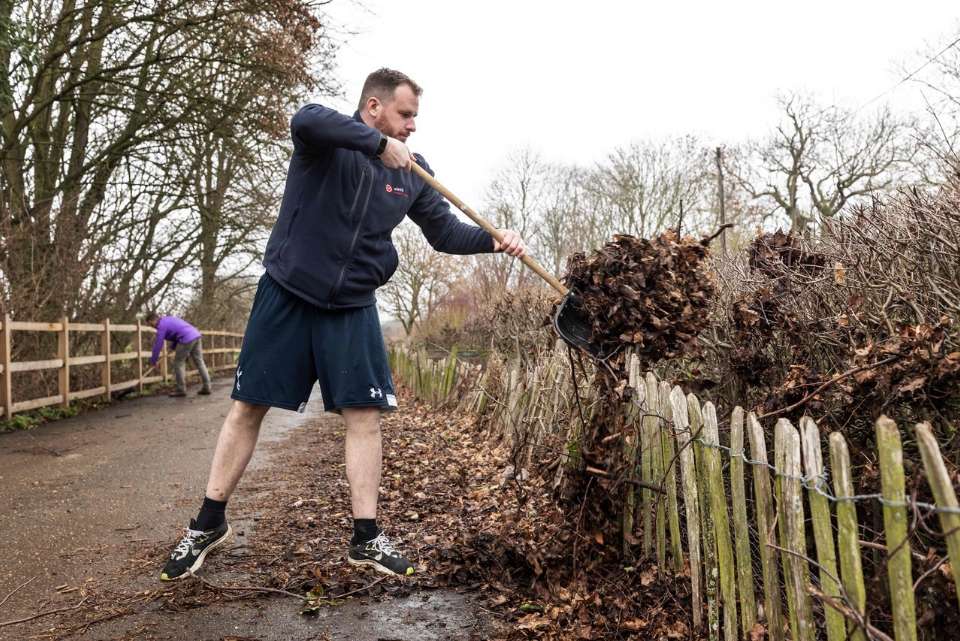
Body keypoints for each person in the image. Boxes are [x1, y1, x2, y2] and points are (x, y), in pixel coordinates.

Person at [158, 68, 526, 581]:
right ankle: (208, 523)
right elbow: (306, 118)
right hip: (287, 293)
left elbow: (444, 233)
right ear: (374, 108)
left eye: (415, 117)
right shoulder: (326, 142)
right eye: (404, 115)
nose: (412, 127)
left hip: (352, 304)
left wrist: (493, 240)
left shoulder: (413, 173)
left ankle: (366, 536)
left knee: (365, 416)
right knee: (248, 408)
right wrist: (377, 146)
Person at [146, 312, 212, 397]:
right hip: (195, 335)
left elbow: (158, 343)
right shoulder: (168, 319)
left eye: (150, 324)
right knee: (199, 362)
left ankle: (181, 389)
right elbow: (178, 332)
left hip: (187, 338)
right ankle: (207, 387)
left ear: (153, 320)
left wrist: (153, 360)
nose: (151, 326)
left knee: (178, 363)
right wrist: (172, 347)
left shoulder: (161, 326)